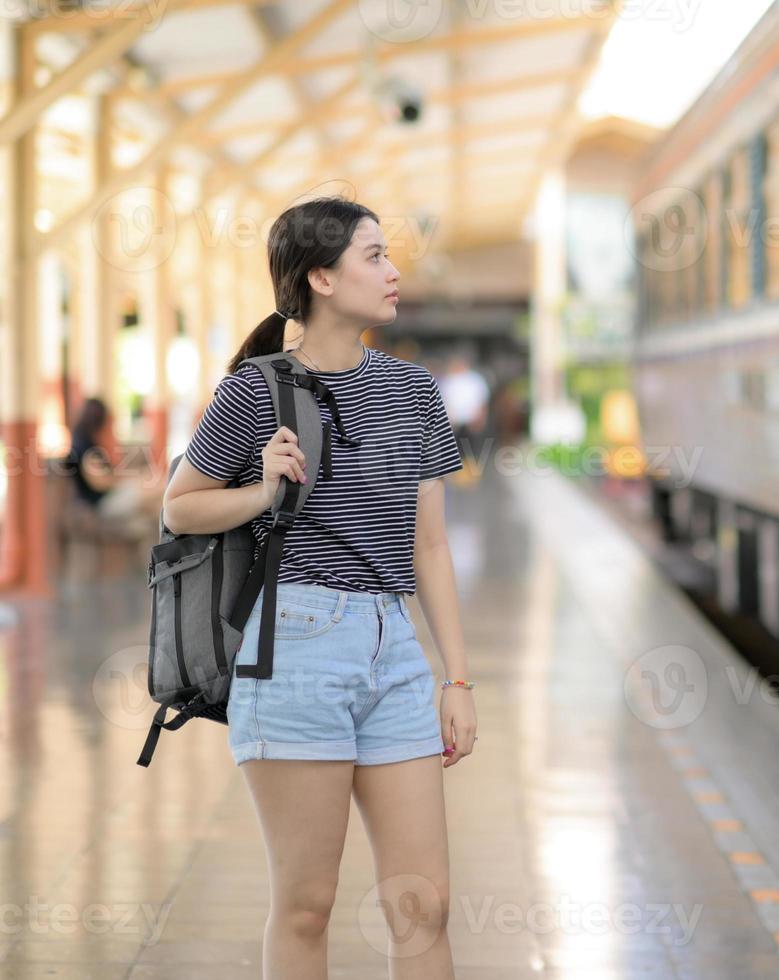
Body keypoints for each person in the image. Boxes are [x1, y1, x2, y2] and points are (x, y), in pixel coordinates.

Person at [160, 197, 474, 978]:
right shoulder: (256, 390)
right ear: (321, 277)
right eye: (374, 256)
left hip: (391, 648)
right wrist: (263, 492)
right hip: (292, 649)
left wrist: (456, 678)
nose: (393, 271)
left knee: (423, 901)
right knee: (306, 904)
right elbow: (181, 507)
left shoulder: (412, 391)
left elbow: (429, 546)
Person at [63, 396, 165, 541]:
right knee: (156, 491)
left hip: (109, 500)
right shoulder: (84, 448)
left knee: (158, 508)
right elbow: (102, 482)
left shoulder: (89, 444)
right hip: (101, 506)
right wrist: (133, 478)